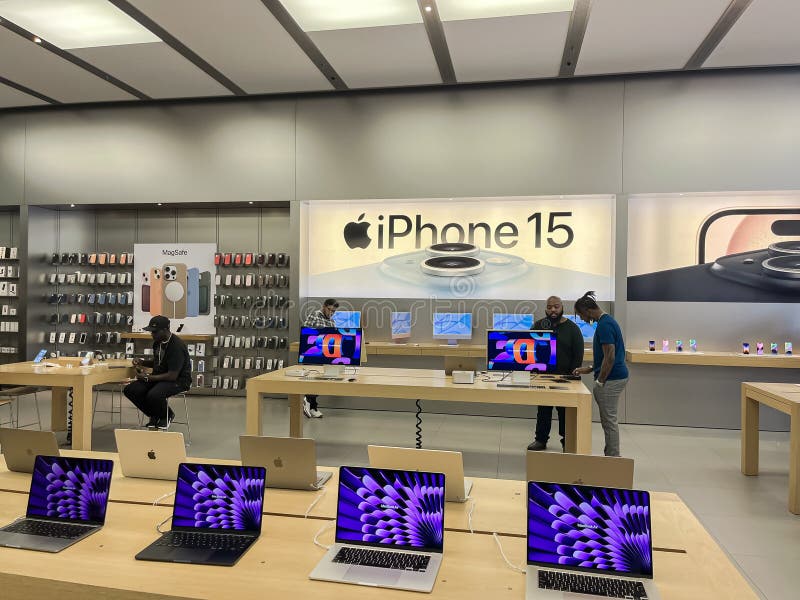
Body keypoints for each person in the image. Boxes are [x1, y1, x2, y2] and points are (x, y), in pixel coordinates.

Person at [572, 291, 628, 457]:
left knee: (609, 421)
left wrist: (600, 382)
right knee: (608, 420)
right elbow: (605, 356)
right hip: (614, 376)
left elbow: (610, 356)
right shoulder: (607, 322)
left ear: (588, 310)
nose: (582, 319)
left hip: (612, 379)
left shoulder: (604, 325)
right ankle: (610, 454)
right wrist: (589, 369)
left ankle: (613, 458)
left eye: (581, 315)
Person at [528, 296, 584, 452]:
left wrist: (572, 377)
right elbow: (529, 348)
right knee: (543, 410)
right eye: (550, 307)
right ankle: (540, 440)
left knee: (564, 412)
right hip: (543, 377)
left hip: (565, 379)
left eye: (556, 307)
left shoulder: (572, 329)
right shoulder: (539, 326)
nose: (553, 310)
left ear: (562, 308)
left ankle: (567, 441)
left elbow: (578, 355)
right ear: (546, 308)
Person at [124, 315, 191, 429]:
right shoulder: (157, 342)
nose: (152, 334)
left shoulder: (176, 346)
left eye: (155, 332)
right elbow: (158, 362)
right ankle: (155, 414)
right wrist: (142, 362)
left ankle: (166, 415)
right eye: (151, 332)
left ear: (165, 330)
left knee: (154, 395)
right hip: (161, 377)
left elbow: (172, 375)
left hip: (178, 380)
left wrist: (147, 378)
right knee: (131, 390)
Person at [301, 298, 339, 418]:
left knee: (323, 380)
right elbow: (305, 331)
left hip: (325, 355)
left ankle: (312, 405)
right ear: (324, 306)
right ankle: (309, 401)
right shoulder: (315, 315)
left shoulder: (332, 322)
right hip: (312, 353)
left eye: (334, 311)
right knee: (314, 379)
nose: (331, 313)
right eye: (330, 309)